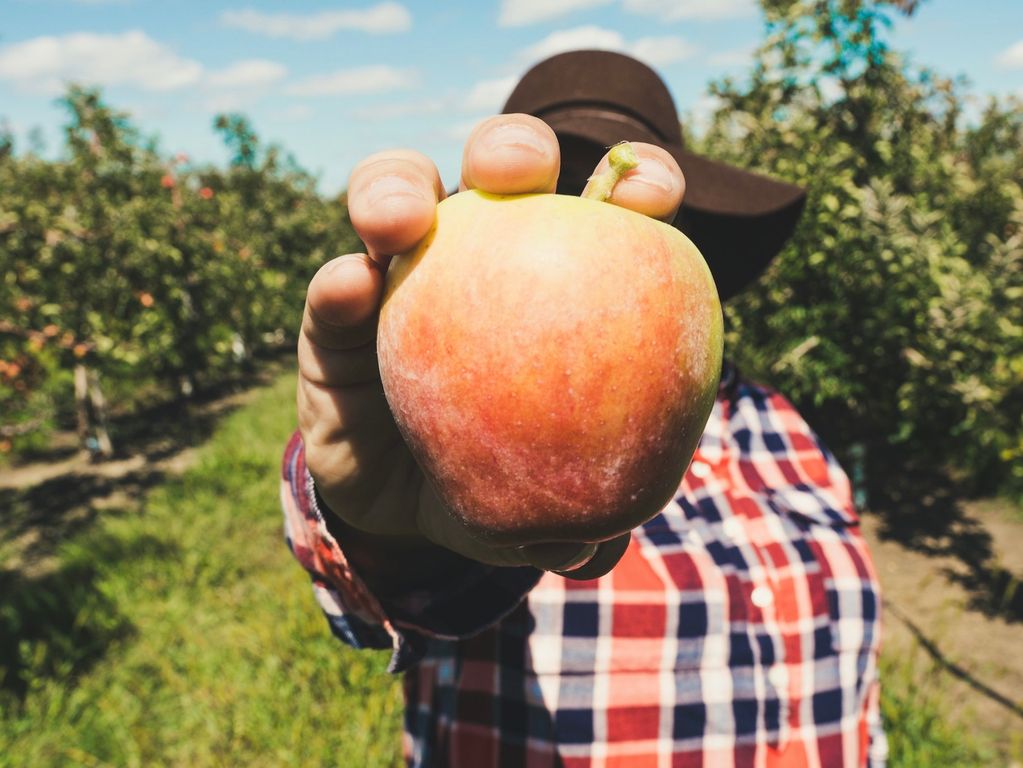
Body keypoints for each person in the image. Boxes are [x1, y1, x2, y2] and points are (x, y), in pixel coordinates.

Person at [283, 50, 886, 767]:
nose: (580, 217)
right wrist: (387, 533)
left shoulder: (784, 427)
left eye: (596, 192)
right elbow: (414, 595)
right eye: (559, 188)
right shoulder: (452, 443)